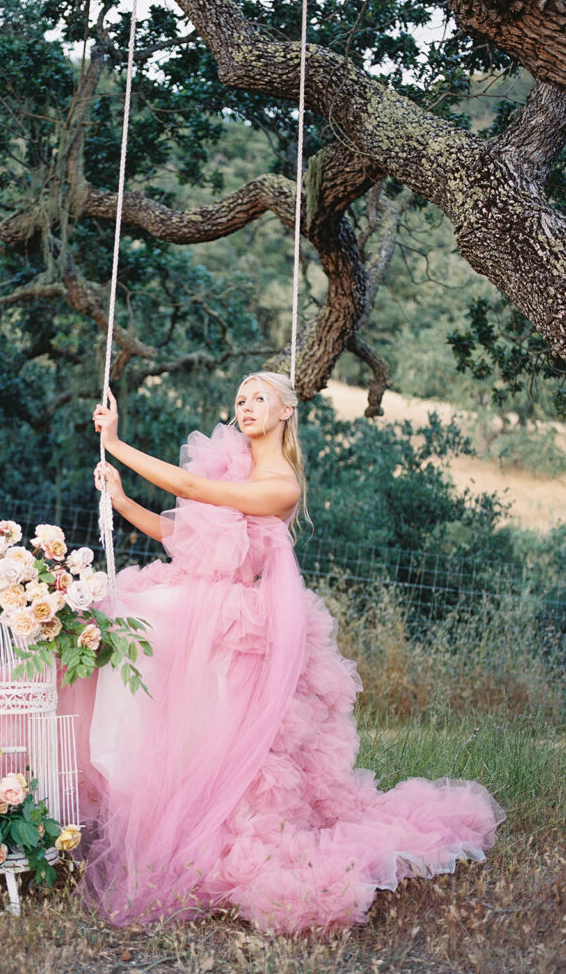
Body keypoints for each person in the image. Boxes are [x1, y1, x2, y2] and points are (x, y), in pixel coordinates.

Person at [57, 371, 504, 935]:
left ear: (286, 410)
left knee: (132, 636)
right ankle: (123, 783)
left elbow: (196, 493)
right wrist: (120, 498)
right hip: (195, 597)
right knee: (110, 624)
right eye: (240, 398)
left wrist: (120, 444)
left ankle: (154, 795)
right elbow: (178, 536)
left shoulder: (281, 483)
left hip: (234, 621)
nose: (245, 407)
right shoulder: (237, 467)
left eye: (259, 398)